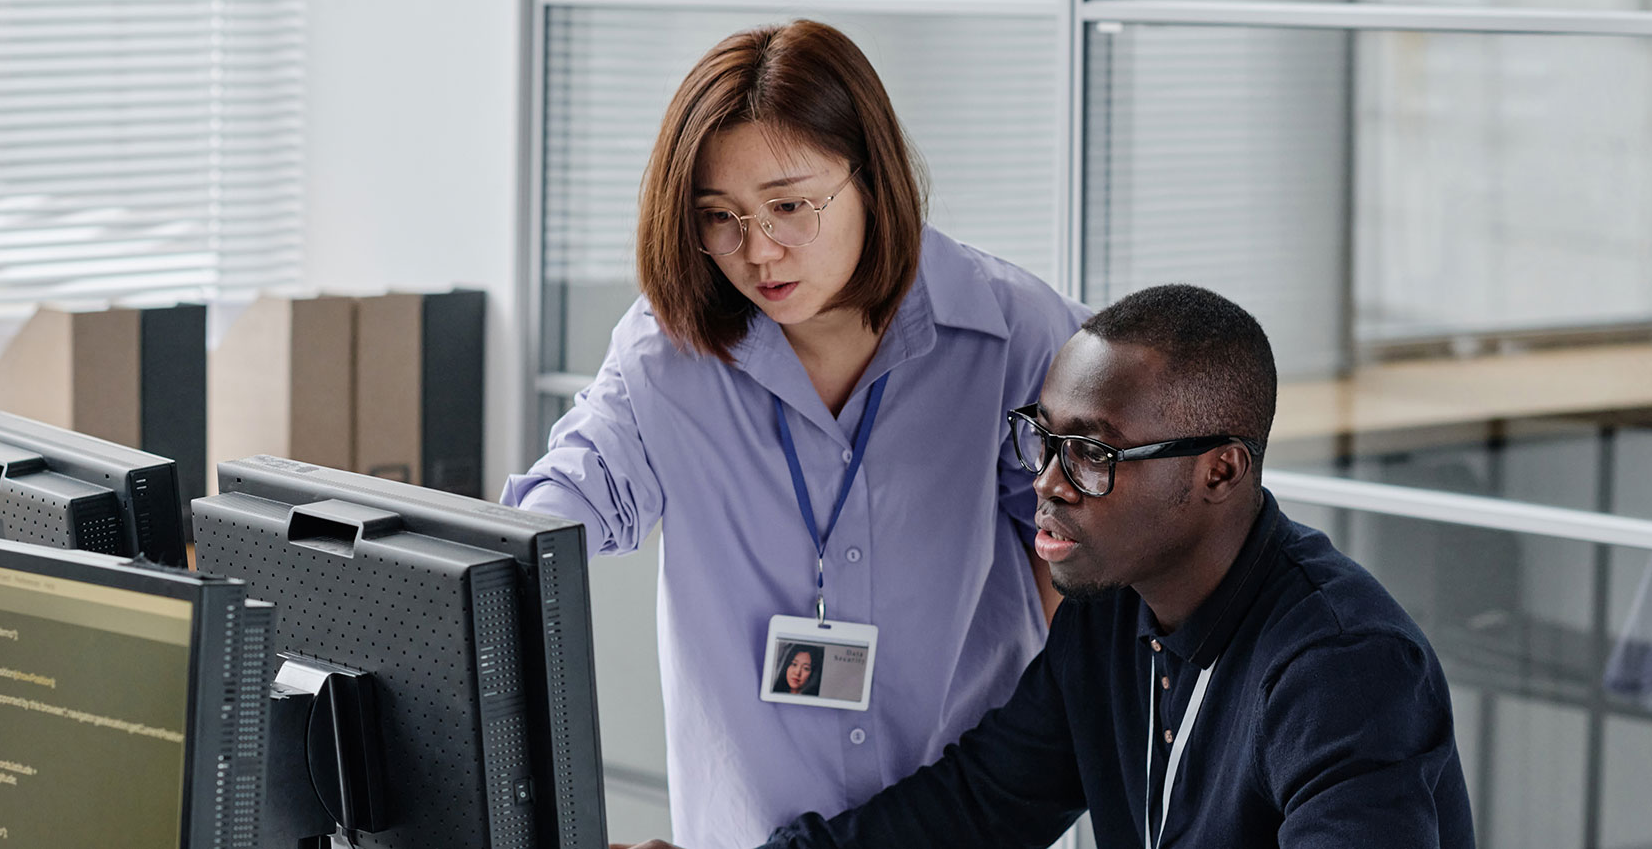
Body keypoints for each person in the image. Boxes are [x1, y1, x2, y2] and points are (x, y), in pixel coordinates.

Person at [502, 19, 1090, 848]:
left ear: (871, 179)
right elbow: (570, 495)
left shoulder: (1012, 335)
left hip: (962, 823)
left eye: (788, 205)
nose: (758, 251)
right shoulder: (664, 354)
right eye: (720, 216)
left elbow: (1102, 561)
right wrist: (507, 553)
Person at [617, 285, 1475, 849]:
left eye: (1093, 454)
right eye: (1043, 438)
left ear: (1218, 472)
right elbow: (975, 808)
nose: (1049, 483)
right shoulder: (1111, 614)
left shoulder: (1341, 667)